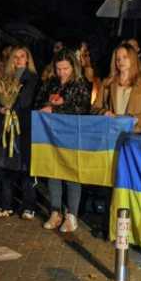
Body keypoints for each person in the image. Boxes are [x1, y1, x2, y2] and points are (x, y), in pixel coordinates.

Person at [36, 50, 92, 233]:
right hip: (51, 136)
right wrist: (47, 103)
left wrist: (58, 108)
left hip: (72, 136)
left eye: (66, 68)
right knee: (53, 173)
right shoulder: (50, 83)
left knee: (71, 175)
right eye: (58, 69)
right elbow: (38, 102)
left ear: (73, 67)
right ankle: (55, 212)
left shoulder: (80, 84)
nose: (62, 73)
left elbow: (82, 109)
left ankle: (71, 216)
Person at [0, 46, 39, 219]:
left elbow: (26, 100)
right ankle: (5, 204)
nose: (18, 60)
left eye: (22, 56)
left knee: (25, 169)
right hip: (6, 128)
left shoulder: (32, 78)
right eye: (15, 57)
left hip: (22, 128)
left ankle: (29, 206)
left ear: (27, 59)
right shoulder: (5, 78)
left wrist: (12, 107)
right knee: (5, 167)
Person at [98, 42, 141, 133]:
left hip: (136, 136)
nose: (120, 61)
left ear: (133, 58)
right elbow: (95, 108)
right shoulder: (108, 82)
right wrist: (104, 112)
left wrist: (136, 119)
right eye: (117, 59)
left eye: (125, 57)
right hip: (112, 133)